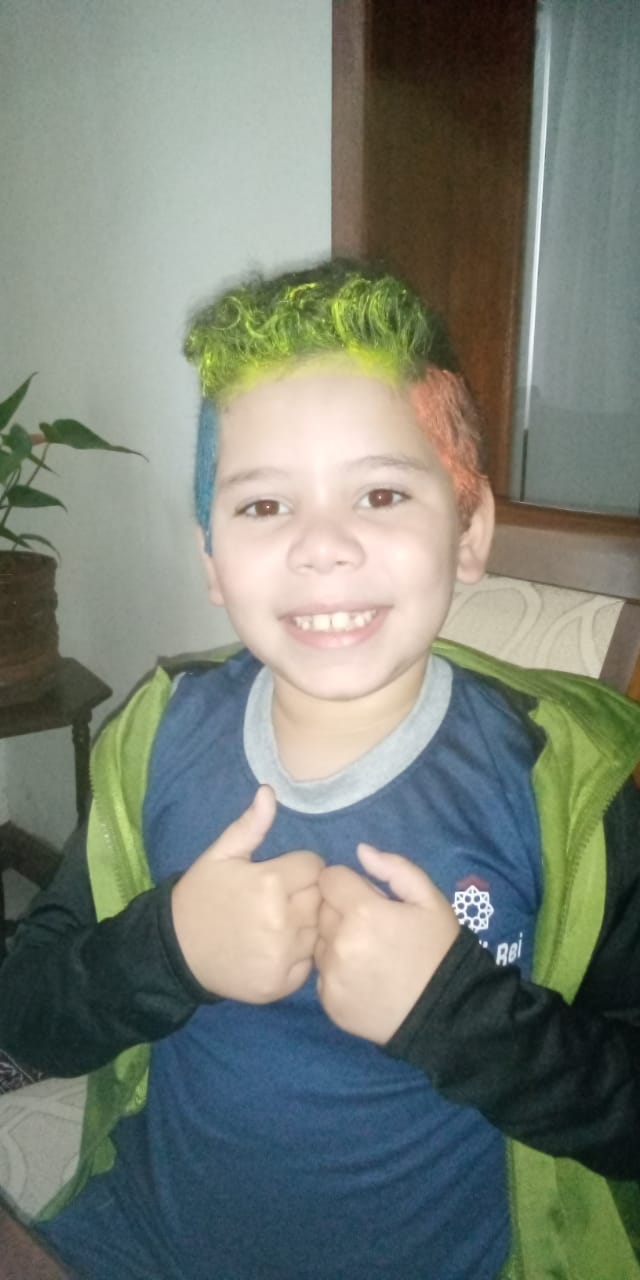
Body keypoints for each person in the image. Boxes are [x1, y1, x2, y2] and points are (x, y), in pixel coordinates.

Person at [1, 259, 639, 1280]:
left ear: (468, 529)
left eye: (380, 493)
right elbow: (28, 1009)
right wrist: (168, 947)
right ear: (211, 558)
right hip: (148, 1241)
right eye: (264, 507)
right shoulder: (158, 733)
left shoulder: (562, 785)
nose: (322, 546)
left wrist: (457, 1015)